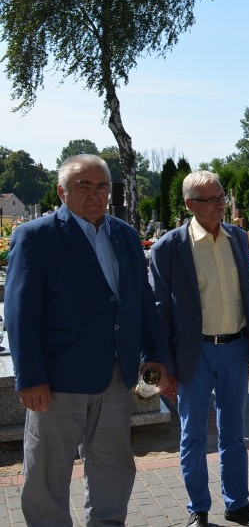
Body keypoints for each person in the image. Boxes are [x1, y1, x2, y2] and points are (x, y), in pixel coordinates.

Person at [5, 154, 167, 525]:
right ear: (62, 192)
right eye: (84, 185)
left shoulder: (124, 235)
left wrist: (153, 353)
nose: (95, 194)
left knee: (113, 467)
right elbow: (19, 314)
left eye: (102, 185)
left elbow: (140, 300)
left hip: (115, 376)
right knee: (48, 472)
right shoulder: (35, 237)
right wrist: (29, 376)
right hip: (58, 380)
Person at [148, 171, 249, 527]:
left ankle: (237, 504)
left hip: (235, 348)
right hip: (193, 354)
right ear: (190, 205)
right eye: (213, 199)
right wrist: (164, 367)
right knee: (193, 435)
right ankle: (198, 509)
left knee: (234, 433)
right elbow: (159, 311)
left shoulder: (235, 238)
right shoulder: (169, 247)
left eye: (222, 198)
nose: (222, 205)